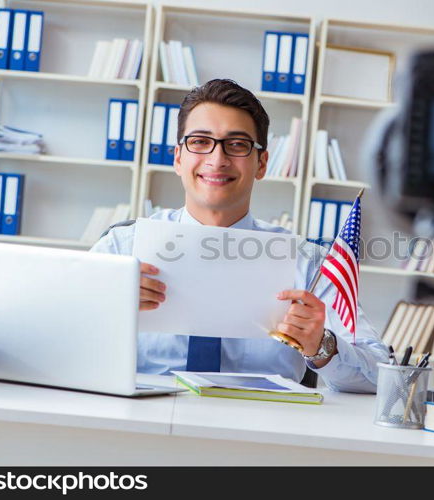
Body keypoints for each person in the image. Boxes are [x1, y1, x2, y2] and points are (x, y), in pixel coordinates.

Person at [91, 79, 388, 393]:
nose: (217, 159)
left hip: (260, 429)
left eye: (236, 145)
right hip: (138, 424)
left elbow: (381, 375)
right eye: (200, 141)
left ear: (261, 163)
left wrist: (322, 345)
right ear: (178, 158)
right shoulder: (121, 249)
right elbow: (48, 339)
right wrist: (107, 305)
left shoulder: (307, 262)